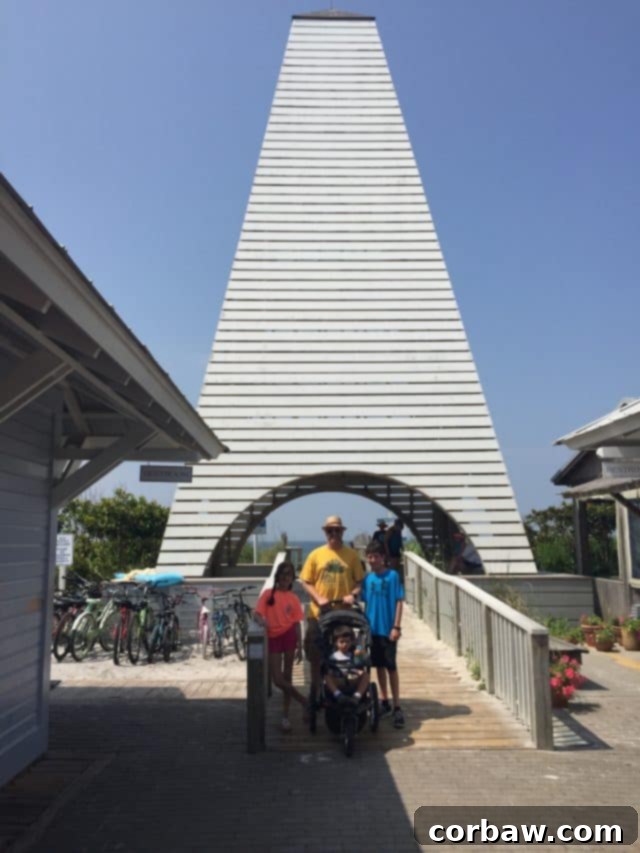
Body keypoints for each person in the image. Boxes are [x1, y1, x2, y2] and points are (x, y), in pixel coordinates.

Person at [299, 515, 364, 696]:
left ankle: (344, 687)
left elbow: (359, 581)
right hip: (318, 614)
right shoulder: (315, 555)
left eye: (337, 530)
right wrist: (318, 597)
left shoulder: (351, 556)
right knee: (315, 655)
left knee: (346, 653)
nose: (333, 533)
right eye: (330, 530)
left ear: (342, 532)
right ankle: (315, 692)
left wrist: (352, 594)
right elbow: (305, 581)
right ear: (325, 533)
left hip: (343, 614)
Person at [254, 560, 306, 733]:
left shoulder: (294, 597)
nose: (286, 578)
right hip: (273, 638)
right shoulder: (269, 594)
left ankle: (285, 716)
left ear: (292, 578)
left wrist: (300, 645)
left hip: (290, 637)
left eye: (289, 575)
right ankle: (303, 701)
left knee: (288, 677)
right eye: (283, 574)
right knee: (277, 679)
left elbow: (297, 623)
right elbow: (257, 613)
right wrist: (262, 621)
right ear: (278, 576)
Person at [361, 540, 405, 728]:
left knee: (391, 667)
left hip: (388, 630)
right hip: (373, 630)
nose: (373, 560)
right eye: (369, 557)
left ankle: (396, 705)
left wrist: (396, 627)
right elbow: (361, 599)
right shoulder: (367, 579)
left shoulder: (393, 576)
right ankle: (384, 700)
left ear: (383, 558)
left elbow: (399, 602)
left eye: (376, 556)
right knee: (378, 666)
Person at [324, 625, 370, 703]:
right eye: (342, 642)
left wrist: (359, 650)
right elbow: (330, 670)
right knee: (326, 676)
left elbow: (360, 660)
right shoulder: (333, 656)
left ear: (351, 642)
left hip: (351, 680)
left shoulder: (353, 655)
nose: (345, 644)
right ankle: (338, 695)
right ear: (336, 643)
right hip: (338, 681)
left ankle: (357, 696)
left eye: (347, 642)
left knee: (365, 675)